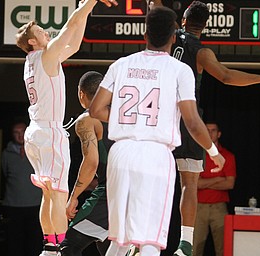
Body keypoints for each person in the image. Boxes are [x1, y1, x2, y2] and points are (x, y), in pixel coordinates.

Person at [149, 1, 260, 255]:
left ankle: (145, 237)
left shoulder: (169, 33)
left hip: (157, 115)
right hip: (186, 117)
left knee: (152, 179)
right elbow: (227, 77)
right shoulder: (202, 52)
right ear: (205, 26)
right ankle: (185, 244)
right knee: (189, 184)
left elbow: (156, 7)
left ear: (183, 20)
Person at [89, 6, 225, 256]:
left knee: (120, 239)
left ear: (145, 35)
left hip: (120, 153)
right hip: (153, 154)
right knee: (150, 239)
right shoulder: (179, 69)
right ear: (174, 36)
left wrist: (127, 120)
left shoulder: (121, 64)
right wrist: (213, 150)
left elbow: (95, 110)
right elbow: (193, 124)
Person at [15, 0, 117, 255]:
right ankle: (60, 247)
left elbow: (74, 43)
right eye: (40, 32)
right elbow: (69, 27)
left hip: (35, 133)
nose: (46, 33)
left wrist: (86, 10)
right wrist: (90, 2)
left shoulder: (35, 61)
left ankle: (50, 246)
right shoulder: (46, 54)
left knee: (48, 194)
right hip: (49, 133)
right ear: (32, 42)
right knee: (58, 195)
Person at [59, 71, 113, 256]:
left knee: (69, 245)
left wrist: (74, 197)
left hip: (112, 190)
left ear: (81, 93)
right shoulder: (126, 114)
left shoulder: (87, 119)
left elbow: (91, 162)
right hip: (142, 189)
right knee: (108, 246)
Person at [193, 122, 236, 256]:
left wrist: (205, 182)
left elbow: (229, 184)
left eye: (213, 130)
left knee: (223, 248)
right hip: (199, 207)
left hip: (219, 207)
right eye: (207, 130)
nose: (210, 133)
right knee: (195, 247)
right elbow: (195, 184)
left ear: (219, 134)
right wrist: (218, 179)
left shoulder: (228, 156)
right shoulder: (198, 155)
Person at [1, 120, 43, 256]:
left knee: (35, 242)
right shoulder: (6, 153)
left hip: (36, 204)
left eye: (22, 132)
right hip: (13, 205)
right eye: (16, 133)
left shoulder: (38, 150)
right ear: (12, 135)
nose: (20, 136)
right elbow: (5, 174)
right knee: (14, 243)